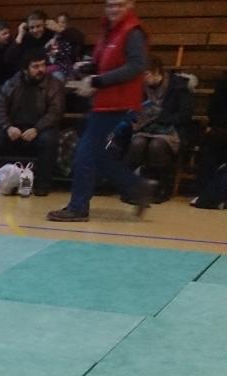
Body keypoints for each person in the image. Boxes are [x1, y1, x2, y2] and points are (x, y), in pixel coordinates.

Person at [48, 0, 156, 222]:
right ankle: (138, 187)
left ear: (130, 5)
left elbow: (136, 67)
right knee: (99, 155)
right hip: (105, 103)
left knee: (84, 153)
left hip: (118, 104)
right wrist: (87, 67)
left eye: (119, 5)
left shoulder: (132, 32)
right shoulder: (109, 30)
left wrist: (97, 81)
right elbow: (106, 63)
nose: (113, 9)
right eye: (110, 5)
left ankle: (78, 208)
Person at [0, 48, 64, 196]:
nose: (40, 70)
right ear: (25, 69)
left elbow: (55, 112)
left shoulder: (54, 85)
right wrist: (8, 127)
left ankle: (43, 185)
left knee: (48, 141)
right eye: (35, 66)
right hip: (13, 128)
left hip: (41, 129)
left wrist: (37, 129)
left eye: (43, 65)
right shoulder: (12, 83)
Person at [125, 57, 194, 203]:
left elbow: (185, 115)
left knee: (157, 145)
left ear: (157, 71)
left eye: (146, 74)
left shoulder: (178, 86)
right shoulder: (142, 88)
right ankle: (131, 184)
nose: (143, 79)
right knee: (137, 143)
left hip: (170, 129)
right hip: (146, 127)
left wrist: (161, 117)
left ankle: (162, 186)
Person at [192, 78, 227, 209]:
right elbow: (213, 109)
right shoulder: (223, 84)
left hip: (220, 129)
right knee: (209, 148)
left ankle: (214, 195)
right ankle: (204, 193)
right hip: (220, 128)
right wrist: (213, 126)